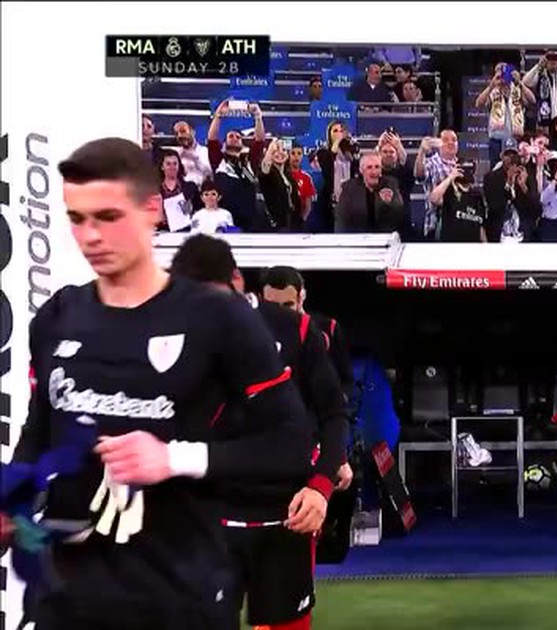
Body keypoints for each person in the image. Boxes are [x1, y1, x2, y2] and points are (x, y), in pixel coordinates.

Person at [14, 137, 314, 629]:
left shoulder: (217, 318)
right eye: (77, 218)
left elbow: (291, 443)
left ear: (152, 209)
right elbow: (39, 431)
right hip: (66, 597)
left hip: (177, 596)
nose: (91, 236)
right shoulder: (56, 317)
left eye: (108, 217)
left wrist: (174, 458)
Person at [168, 234, 352, 630]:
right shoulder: (179, 334)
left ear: (236, 281)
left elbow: (334, 412)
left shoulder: (295, 329)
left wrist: (321, 485)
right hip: (209, 517)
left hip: (284, 512)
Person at [260, 265, 355, 402]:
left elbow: (346, 381)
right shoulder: (251, 333)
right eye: (273, 306)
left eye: (288, 305)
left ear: (301, 298)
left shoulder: (328, 328)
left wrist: (336, 404)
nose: (281, 313)